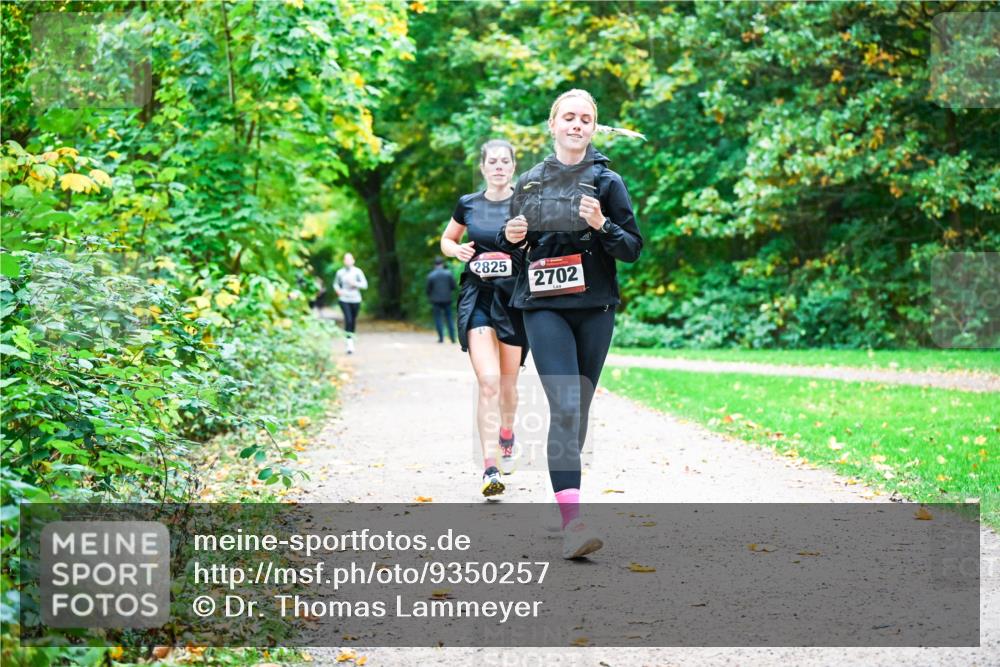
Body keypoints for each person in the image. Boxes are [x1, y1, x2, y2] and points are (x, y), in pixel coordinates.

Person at [497, 89, 643, 558]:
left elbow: (632, 249)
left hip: (595, 307)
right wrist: (512, 239)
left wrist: (602, 224)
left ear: (593, 129)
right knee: (564, 404)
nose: (576, 125)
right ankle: (573, 523)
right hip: (544, 307)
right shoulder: (530, 183)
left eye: (585, 119)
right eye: (568, 117)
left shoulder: (608, 182)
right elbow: (513, 254)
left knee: (576, 408)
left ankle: (565, 496)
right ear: (553, 125)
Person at [440, 139, 529, 498]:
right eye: (492, 161)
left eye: (504, 161)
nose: (498, 167)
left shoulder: (524, 203)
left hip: (514, 299)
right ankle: (489, 467)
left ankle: (507, 432)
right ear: (483, 167)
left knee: (508, 385)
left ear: (512, 167)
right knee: (488, 382)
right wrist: (456, 250)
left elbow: (539, 245)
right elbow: (447, 239)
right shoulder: (468, 204)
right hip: (478, 296)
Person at [333, 252, 367, 354]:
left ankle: (351, 337)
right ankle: (349, 343)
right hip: (344, 299)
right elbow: (335, 284)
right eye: (346, 259)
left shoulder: (357, 272)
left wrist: (355, 283)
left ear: (353, 261)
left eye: (349, 259)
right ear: (344, 261)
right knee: (348, 319)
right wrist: (338, 290)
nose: (348, 261)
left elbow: (365, 285)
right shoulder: (340, 273)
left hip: (356, 299)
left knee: (353, 320)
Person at [426, 257, 457, 343]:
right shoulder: (448, 274)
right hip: (447, 299)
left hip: (435, 301)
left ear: (434, 265)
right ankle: (453, 339)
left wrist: (431, 296)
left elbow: (428, 290)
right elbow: (453, 286)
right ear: (442, 264)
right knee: (449, 319)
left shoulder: (431, 275)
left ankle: (441, 339)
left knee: (438, 319)